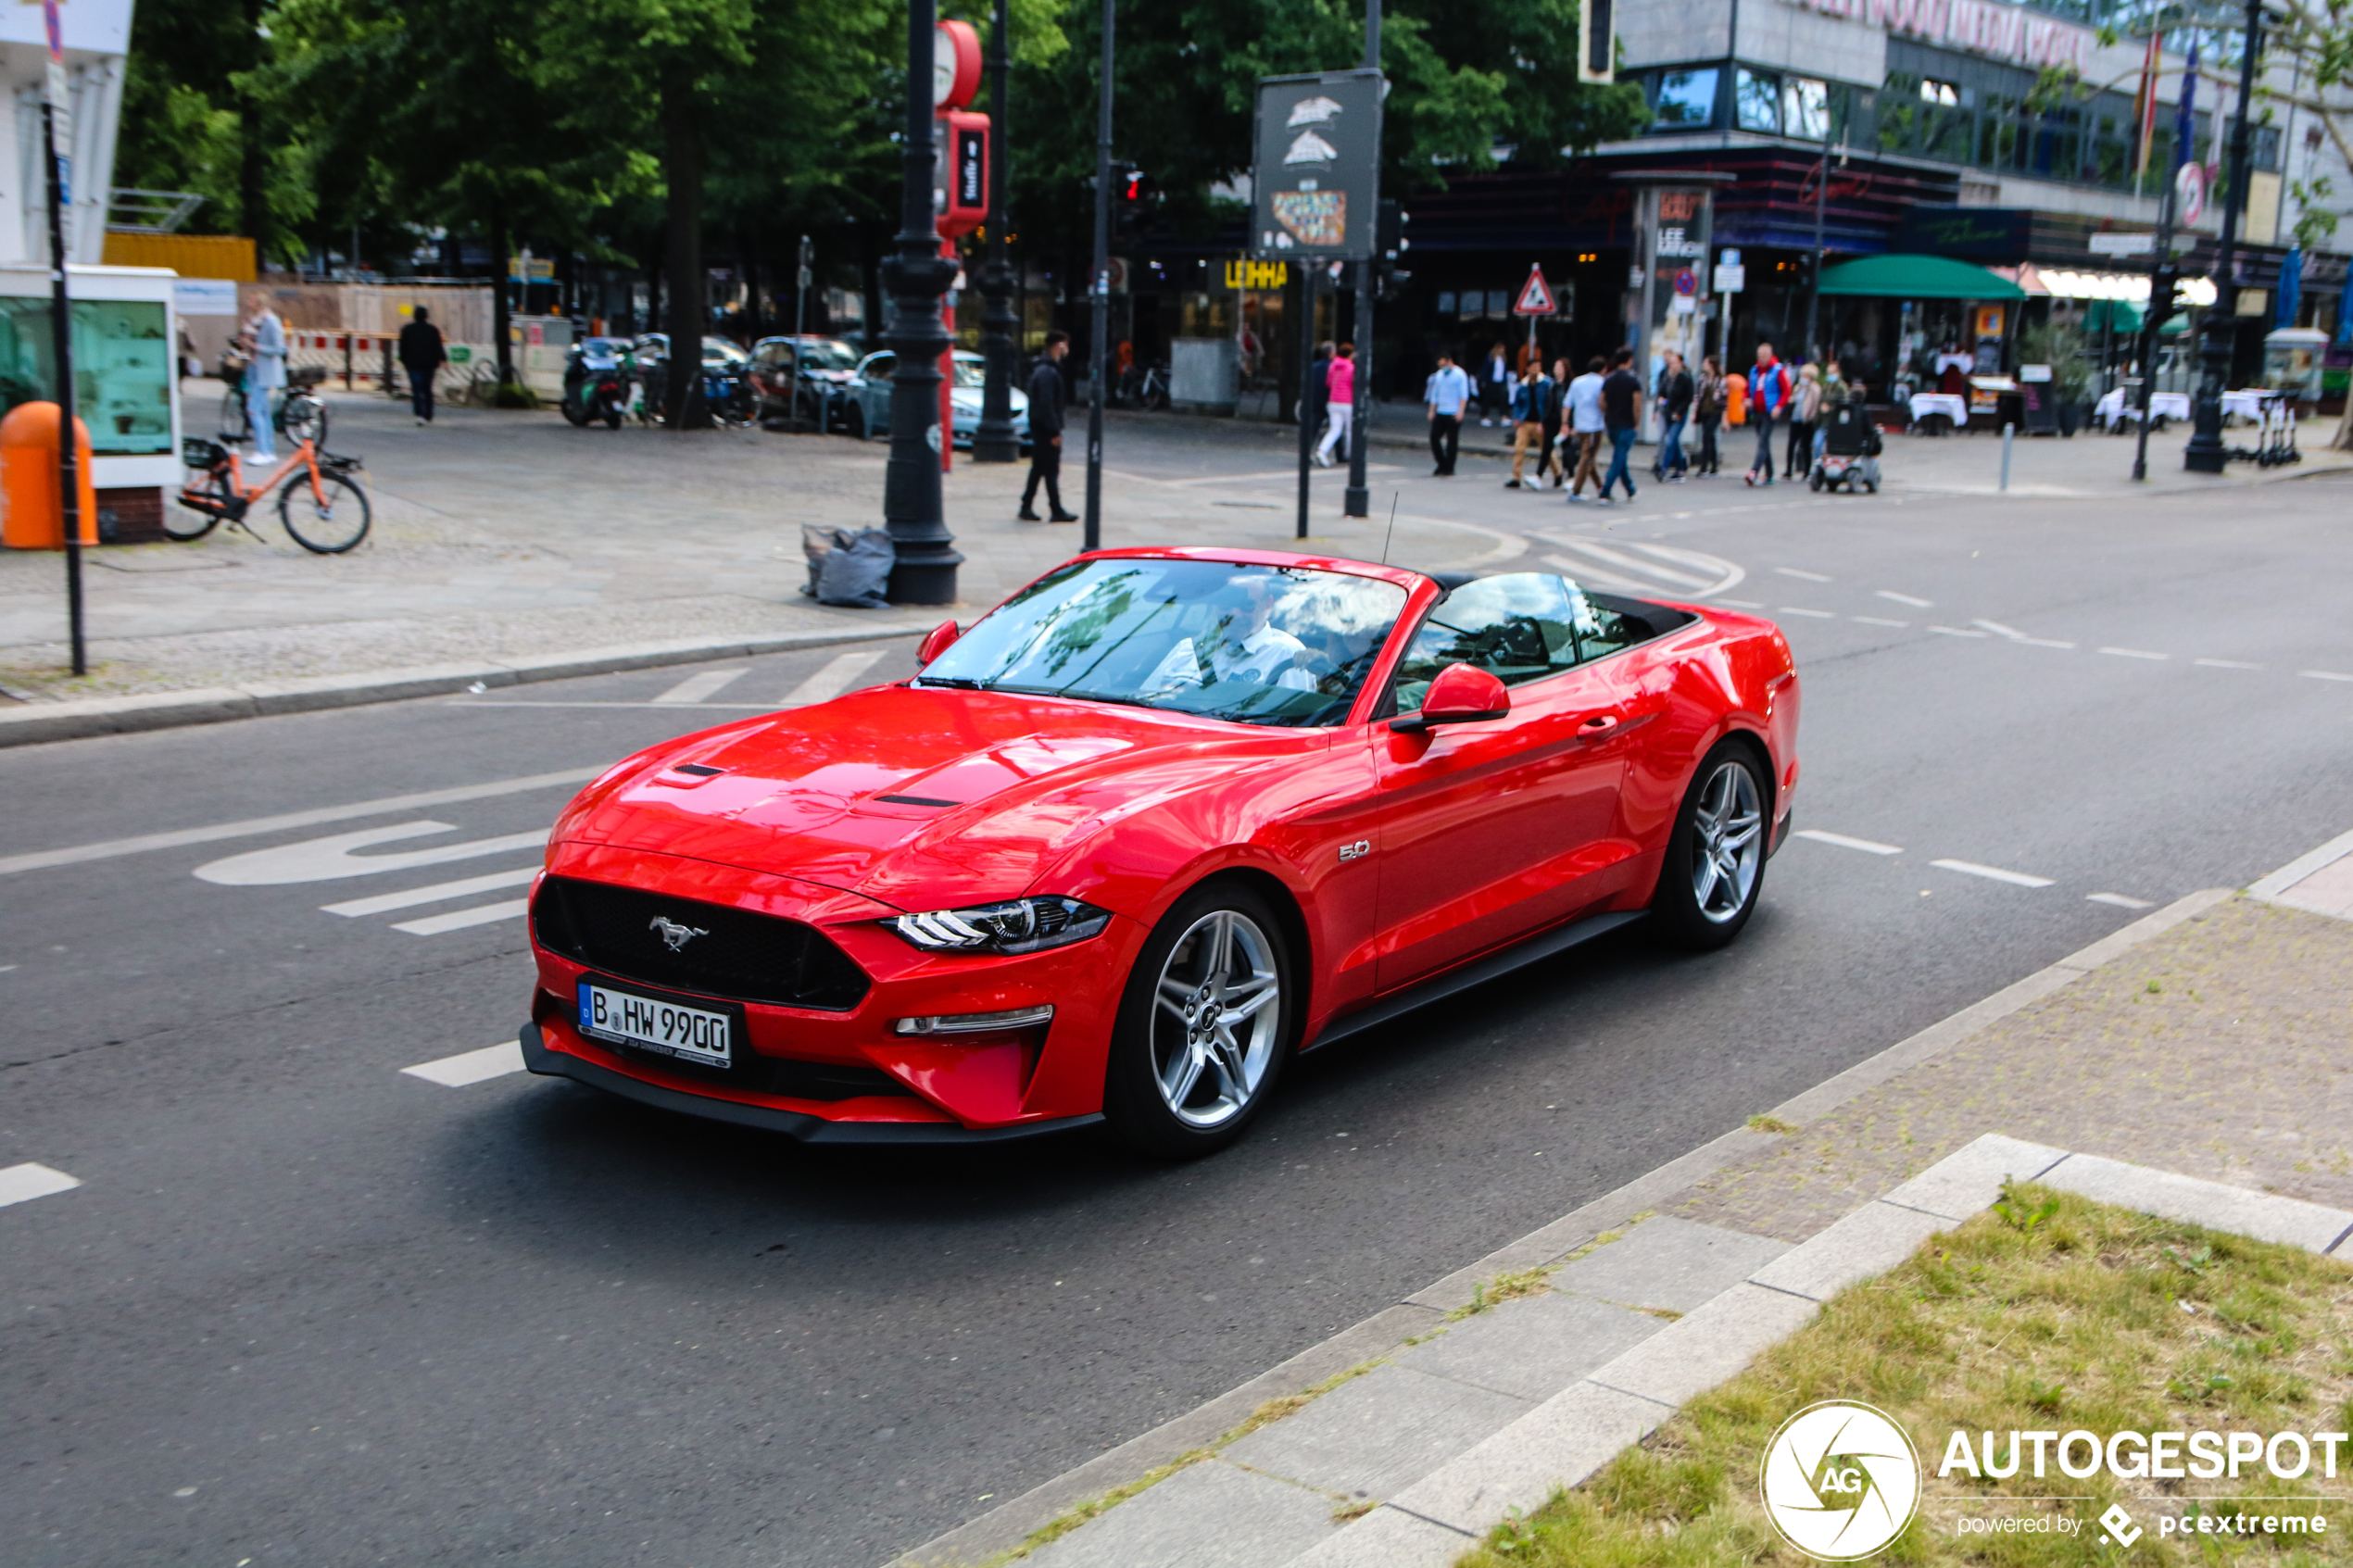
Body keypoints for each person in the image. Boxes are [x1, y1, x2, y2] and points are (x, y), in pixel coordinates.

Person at [1020, 331, 1078, 521]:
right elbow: (1046, 403)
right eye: (1066, 345)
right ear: (1059, 345)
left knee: (1038, 467)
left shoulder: (1044, 368)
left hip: (1040, 426)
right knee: (1051, 469)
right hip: (1045, 428)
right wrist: (1054, 430)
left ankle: (1026, 505)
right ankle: (1056, 509)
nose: (1067, 349)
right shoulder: (1048, 371)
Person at [240, 295, 287, 462]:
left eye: (251, 301)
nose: (248, 303)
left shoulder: (271, 321)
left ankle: (263, 451)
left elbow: (279, 349)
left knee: (253, 410)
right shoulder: (255, 322)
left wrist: (255, 346)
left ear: (259, 303)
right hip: (256, 370)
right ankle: (269, 450)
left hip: (266, 372)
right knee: (264, 412)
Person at [1598, 347, 1643, 502]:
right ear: (1629, 360)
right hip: (1627, 423)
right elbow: (1636, 404)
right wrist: (1636, 422)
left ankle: (1630, 488)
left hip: (1612, 423)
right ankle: (1605, 489)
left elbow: (1601, 401)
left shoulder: (1608, 379)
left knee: (1620, 456)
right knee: (1619, 457)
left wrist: (1607, 414)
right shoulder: (1633, 380)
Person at [1745, 342, 1792, 486]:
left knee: (1763, 440)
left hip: (1770, 412)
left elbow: (1786, 390)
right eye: (1760, 355)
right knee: (1763, 442)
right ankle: (1770, 474)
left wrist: (1779, 406)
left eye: (1764, 355)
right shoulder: (1754, 370)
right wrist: (1746, 398)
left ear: (1770, 355)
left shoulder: (1778, 370)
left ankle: (1754, 471)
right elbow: (1747, 388)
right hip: (1757, 410)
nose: (1762, 358)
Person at [1504, 364, 1554, 488]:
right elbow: (1518, 403)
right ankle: (1516, 477)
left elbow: (1550, 402)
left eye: (1538, 367)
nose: (1536, 369)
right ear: (1527, 369)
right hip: (1525, 421)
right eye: (1533, 367)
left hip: (1540, 422)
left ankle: (1557, 472)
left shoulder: (1546, 383)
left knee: (1547, 450)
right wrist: (1516, 417)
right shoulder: (1523, 384)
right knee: (1519, 449)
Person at [1564, 355, 1607, 498]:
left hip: (1580, 425)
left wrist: (1565, 423)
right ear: (1603, 369)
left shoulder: (1577, 382)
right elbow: (1603, 403)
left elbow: (1567, 404)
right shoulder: (1602, 382)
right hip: (1594, 426)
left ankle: (1600, 486)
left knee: (1589, 457)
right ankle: (1576, 490)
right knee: (1587, 457)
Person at [1424, 350, 1473, 475]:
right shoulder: (1439, 375)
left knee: (1452, 441)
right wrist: (1432, 410)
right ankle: (1442, 463)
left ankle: (1449, 467)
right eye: (1440, 365)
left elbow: (1463, 394)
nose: (1442, 368)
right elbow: (1434, 394)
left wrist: (1460, 411)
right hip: (1441, 411)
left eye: (1444, 365)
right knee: (1434, 437)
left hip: (1453, 412)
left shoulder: (1459, 374)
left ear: (1450, 362)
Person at [397, 306, 447, 426]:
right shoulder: (432, 330)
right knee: (427, 389)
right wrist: (442, 359)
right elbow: (438, 346)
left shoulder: (407, 329)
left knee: (416, 389)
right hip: (429, 364)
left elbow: (402, 348)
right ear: (426, 316)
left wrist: (404, 361)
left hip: (413, 364)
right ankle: (428, 413)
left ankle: (419, 412)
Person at [1654, 350, 1694, 482]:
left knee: (1670, 440)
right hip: (1668, 413)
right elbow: (1663, 391)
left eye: (1675, 363)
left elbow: (1688, 397)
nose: (1672, 366)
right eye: (1671, 363)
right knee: (1675, 442)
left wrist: (1679, 411)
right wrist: (1661, 399)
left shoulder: (1685, 378)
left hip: (1679, 415)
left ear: (1681, 363)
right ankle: (1680, 469)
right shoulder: (1668, 377)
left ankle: (1664, 469)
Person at [1315, 343, 1356, 468]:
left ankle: (1322, 451)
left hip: (1333, 401)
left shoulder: (1333, 366)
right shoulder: (1351, 368)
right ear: (1349, 355)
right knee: (1350, 430)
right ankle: (1350, 455)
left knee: (1335, 429)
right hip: (1347, 402)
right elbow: (1354, 384)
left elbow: (1328, 383)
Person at [1786, 362, 1822, 479]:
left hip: (1807, 421)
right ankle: (1788, 470)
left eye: (1805, 375)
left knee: (1806, 446)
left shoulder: (1815, 389)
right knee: (1791, 444)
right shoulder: (1798, 387)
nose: (1803, 377)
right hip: (1795, 418)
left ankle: (1807, 471)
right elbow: (1793, 399)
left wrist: (1811, 417)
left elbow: (1815, 405)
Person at [1692, 355, 1725, 477]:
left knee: (1706, 436)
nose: (1703, 365)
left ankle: (1704, 467)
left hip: (1715, 412)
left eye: (1706, 363)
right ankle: (1714, 466)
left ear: (1712, 365)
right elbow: (1697, 396)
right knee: (1710, 438)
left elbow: (1724, 399)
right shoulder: (1702, 379)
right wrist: (1695, 412)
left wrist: (1725, 417)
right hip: (1704, 412)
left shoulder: (1720, 380)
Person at [1540, 358, 1570, 487]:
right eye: (1555, 367)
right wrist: (1543, 420)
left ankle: (1571, 476)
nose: (1555, 369)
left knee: (1567, 449)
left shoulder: (1569, 385)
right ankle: (1538, 475)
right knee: (1547, 448)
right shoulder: (1551, 385)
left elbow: (1569, 405)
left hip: (1563, 421)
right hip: (1551, 420)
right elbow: (1547, 404)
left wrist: (1569, 423)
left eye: (1558, 367)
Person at [1480, 342, 1510, 425]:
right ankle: (1484, 416)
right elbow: (1485, 369)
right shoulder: (1490, 357)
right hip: (1491, 381)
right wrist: (1484, 380)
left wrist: (1506, 382)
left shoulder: (1503, 358)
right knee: (1488, 399)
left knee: (1503, 399)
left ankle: (1504, 416)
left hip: (1501, 382)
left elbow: (1504, 372)